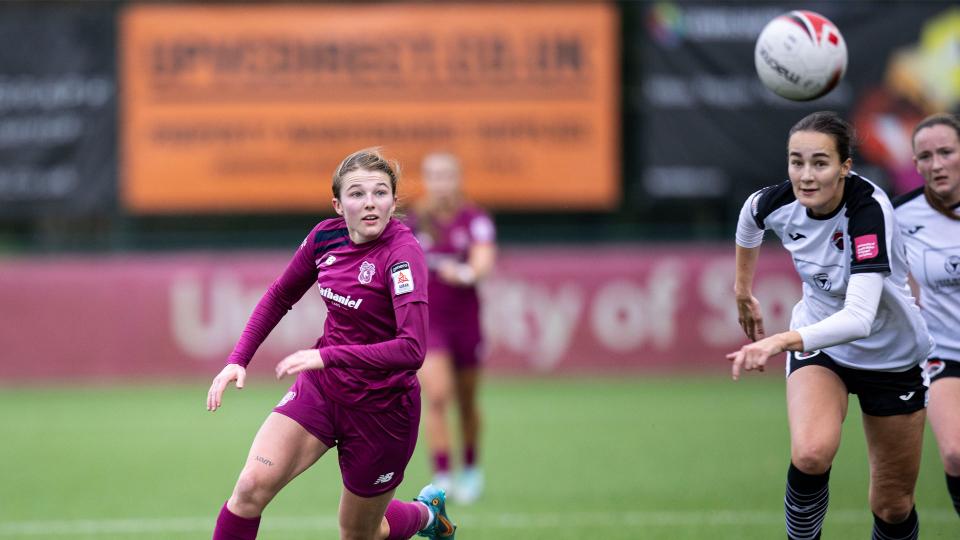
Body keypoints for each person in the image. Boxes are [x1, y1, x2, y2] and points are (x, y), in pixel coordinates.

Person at [206, 148, 457, 540]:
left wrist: (327, 356)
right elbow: (280, 295)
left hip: (383, 410)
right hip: (323, 390)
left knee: (360, 532)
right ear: (339, 205)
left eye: (380, 192)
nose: (370, 202)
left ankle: (426, 516)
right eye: (357, 193)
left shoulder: (402, 255)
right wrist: (238, 359)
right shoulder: (325, 237)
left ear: (393, 202)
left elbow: (412, 350)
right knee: (250, 487)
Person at [727, 111, 933, 540]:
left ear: (845, 166)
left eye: (819, 163)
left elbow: (859, 319)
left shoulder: (868, 211)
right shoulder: (776, 202)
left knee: (893, 505)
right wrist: (743, 290)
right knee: (811, 453)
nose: (805, 175)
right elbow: (749, 219)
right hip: (823, 345)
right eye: (796, 162)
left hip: (891, 355)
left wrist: (779, 341)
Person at [404, 152, 496, 504]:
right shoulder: (415, 221)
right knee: (438, 395)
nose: (441, 183)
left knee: (467, 401)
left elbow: (483, 258)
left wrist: (467, 273)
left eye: (447, 176)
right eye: (434, 176)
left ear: (457, 179)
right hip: (431, 323)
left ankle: (470, 467)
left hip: (466, 321)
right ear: (426, 181)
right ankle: (443, 474)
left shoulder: (474, 219)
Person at [894, 112, 960, 518]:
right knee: (956, 453)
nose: (936, 164)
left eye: (946, 152)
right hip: (944, 352)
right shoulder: (900, 216)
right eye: (925, 156)